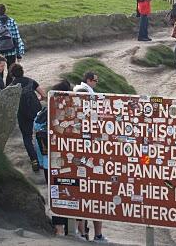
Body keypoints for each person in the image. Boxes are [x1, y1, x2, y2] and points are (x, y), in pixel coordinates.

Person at [73, 72, 108, 244]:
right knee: (91, 201)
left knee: (89, 200)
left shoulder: (74, 116)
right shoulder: (84, 118)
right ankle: (90, 235)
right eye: (95, 80)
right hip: (86, 166)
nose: (97, 83)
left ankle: (85, 235)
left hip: (87, 165)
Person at [35, 80, 71, 236]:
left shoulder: (41, 114)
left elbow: (36, 138)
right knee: (68, 193)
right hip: (62, 163)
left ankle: (59, 228)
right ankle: (66, 229)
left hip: (46, 163)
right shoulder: (63, 114)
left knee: (55, 192)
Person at [9, 64, 45, 172]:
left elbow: (11, 104)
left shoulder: (11, 86)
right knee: (40, 135)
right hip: (36, 111)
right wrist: (38, 99)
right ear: (22, 71)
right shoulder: (31, 81)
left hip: (22, 114)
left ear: (12, 74)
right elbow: (43, 95)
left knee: (27, 137)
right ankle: (43, 159)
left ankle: (34, 160)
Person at [0, 4, 25, 86]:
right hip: (11, 51)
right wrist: (19, 54)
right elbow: (17, 38)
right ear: (5, 11)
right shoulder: (11, 21)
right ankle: (9, 88)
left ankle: (0, 89)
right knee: (11, 72)